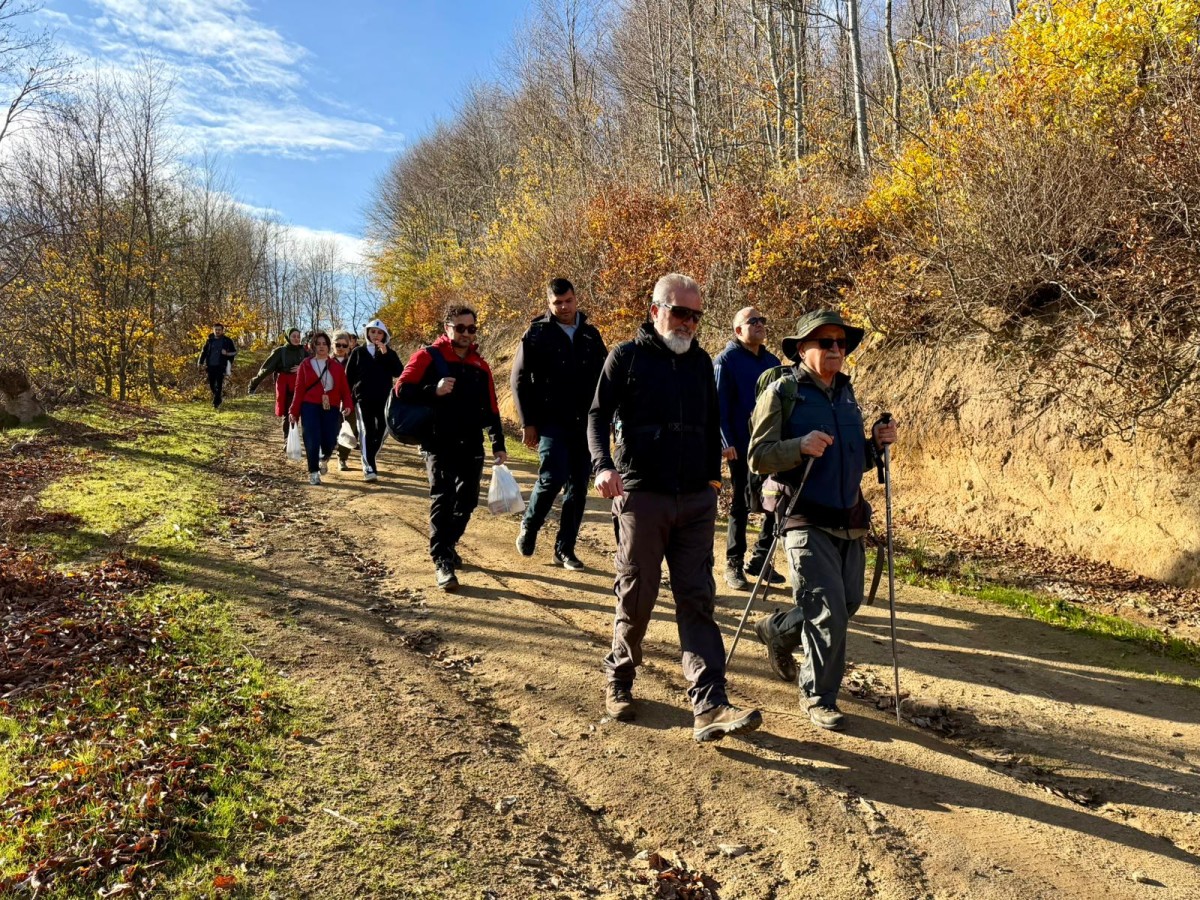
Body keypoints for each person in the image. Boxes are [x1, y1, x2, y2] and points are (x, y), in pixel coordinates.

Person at [589, 273, 763, 744]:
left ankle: (710, 703)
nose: (687, 322)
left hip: (695, 500)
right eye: (679, 312)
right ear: (655, 311)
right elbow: (597, 415)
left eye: (695, 315)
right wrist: (603, 465)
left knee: (698, 598)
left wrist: (713, 479)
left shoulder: (701, 362)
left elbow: (711, 423)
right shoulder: (625, 357)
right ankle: (619, 678)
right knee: (637, 593)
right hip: (641, 495)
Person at [746, 310, 898, 731]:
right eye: (825, 342)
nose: (836, 349)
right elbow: (758, 456)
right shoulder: (782, 392)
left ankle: (777, 629)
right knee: (827, 611)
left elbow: (854, 459)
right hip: (803, 517)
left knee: (844, 604)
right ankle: (818, 696)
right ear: (801, 349)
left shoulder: (848, 395)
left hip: (849, 519)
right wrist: (799, 445)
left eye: (841, 343)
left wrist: (876, 445)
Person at [397, 304, 507, 591]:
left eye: (471, 329)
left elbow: (491, 409)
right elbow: (402, 388)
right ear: (447, 328)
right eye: (460, 328)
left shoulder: (480, 366)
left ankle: (447, 543)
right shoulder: (428, 356)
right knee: (442, 498)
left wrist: (499, 444)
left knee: (468, 501)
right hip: (438, 440)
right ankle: (442, 559)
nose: (466, 334)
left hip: (471, 442)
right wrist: (433, 389)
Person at [512, 278, 608, 569]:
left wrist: (610, 417)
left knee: (578, 486)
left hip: (585, 423)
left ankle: (565, 549)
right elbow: (518, 380)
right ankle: (530, 525)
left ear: (576, 299)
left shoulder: (591, 335)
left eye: (568, 301)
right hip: (551, 420)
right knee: (552, 476)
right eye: (557, 303)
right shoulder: (537, 333)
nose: (563, 307)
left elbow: (607, 380)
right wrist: (528, 422)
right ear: (548, 304)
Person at [715, 308, 783, 590]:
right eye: (752, 321)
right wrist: (725, 441)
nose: (759, 325)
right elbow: (717, 406)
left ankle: (762, 560)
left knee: (775, 500)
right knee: (741, 504)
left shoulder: (772, 361)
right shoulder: (726, 361)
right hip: (741, 446)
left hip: (771, 446)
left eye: (762, 320)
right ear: (738, 330)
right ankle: (734, 564)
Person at [288, 331, 355, 486]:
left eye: (324, 343)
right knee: (312, 438)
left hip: (330, 406)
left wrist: (348, 405)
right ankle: (313, 472)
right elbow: (299, 390)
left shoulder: (336, 367)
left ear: (328, 346)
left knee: (330, 439)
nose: (321, 347)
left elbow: (345, 389)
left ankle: (324, 459)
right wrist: (294, 411)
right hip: (309, 405)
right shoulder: (306, 364)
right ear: (313, 346)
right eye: (318, 344)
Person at [346, 318, 403, 481]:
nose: (376, 335)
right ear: (367, 333)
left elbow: (399, 372)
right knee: (366, 429)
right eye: (373, 332)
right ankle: (369, 465)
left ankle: (370, 455)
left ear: (384, 335)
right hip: (362, 398)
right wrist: (347, 399)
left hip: (384, 399)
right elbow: (348, 377)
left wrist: (386, 355)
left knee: (383, 430)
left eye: (379, 332)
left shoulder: (389, 352)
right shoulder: (358, 352)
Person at [249, 329, 308, 440]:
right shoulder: (280, 351)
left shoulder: (303, 351)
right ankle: (288, 439)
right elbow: (267, 369)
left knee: (296, 412)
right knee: (288, 412)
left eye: (298, 337)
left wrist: (302, 367)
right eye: (293, 336)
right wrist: (254, 383)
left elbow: (313, 365)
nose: (296, 339)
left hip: (299, 385)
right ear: (287, 337)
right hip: (284, 386)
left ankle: (292, 437)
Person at [331, 331, 359, 472]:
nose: (341, 347)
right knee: (330, 430)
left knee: (350, 429)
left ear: (349, 346)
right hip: (330, 402)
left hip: (350, 400)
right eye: (338, 344)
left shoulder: (354, 361)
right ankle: (323, 455)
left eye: (344, 345)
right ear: (332, 345)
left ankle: (342, 458)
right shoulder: (325, 361)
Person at [198, 322, 237, 409]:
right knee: (212, 385)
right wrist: (200, 363)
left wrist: (226, 353)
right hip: (210, 365)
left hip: (221, 365)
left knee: (219, 384)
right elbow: (203, 352)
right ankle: (218, 398)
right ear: (213, 330)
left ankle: (216, 403)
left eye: (219, 330)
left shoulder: (227, 340)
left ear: (222, 331)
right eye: (216, 330)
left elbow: (234, 352)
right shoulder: (209, 340)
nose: (217, 331)